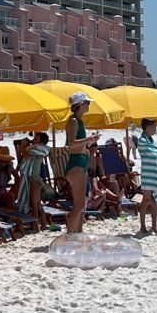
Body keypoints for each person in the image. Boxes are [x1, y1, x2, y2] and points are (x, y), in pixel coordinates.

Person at [64, 92, 95, 233]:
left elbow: (79, 145)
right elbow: (71, 144)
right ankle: (70, 236)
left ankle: (77, 234)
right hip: (76, 164)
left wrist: (89, 142)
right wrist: (89, 139)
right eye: (87, 103)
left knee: (81, 204)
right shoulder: (73, 121)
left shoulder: (79, 121)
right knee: (79, 204)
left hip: (81, 162)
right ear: (80, 105)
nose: (89, 105)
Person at [134, 118, 157, 235]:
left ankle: (154, 225)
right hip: (148, 174)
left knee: (154, 200)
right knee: (146, 199)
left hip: (154, 174)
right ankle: (143, 226)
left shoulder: (151, 140)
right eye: (154, 127)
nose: (156, 129)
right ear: (148, 127)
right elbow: (149, 153)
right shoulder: (142, 140)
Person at [16, 133, 51, 231]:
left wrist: (23, 146)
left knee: (34, 204)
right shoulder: (36, 148)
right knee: (37, 204)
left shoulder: (40, 148)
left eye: (36, 137)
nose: (34, 138)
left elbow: (26, 156)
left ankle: (35, 226)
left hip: (35, 179)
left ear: (41, 140)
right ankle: (43, 224)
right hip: (35, 179)